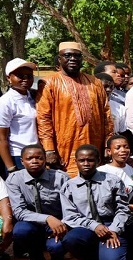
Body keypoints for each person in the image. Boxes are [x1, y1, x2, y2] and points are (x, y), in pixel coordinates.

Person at [37, 42, 113, 177]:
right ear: (59, 59)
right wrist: (49, 150)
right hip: (64, 148)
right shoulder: (49, 83)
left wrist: (108, 144)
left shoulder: (94, 82)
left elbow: (106, 115)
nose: (73, 59)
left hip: (95, 145)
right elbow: (43, 119)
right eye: (68, 55)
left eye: (77, 56)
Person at [60, 145, 130, 260]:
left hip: (111, 224)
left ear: (98, 161)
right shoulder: (69, 186)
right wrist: (95, 226)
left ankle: (118, 251)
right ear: (76, 162)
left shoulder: (112, 180)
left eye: (90, 160)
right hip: (85, 226)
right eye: (82, 160)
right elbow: (70, 216)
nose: (86, 164)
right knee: (71, 239)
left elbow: (123, 208)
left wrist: (114, 229)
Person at [7, 144, 69, 260]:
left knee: (55, 247)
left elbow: (72, 207)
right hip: (32, 223)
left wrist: (63, 223)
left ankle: (57, 258)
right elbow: (19, 211)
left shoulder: (61, 177)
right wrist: (47, 218)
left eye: (39, 158)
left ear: (45, 159)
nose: (34, 161)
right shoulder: (14, 179)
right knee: (20, 231)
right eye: (29, 158)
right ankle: (36, 259)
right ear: (22, 161)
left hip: (58, 223)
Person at [0, 58, 38, 173]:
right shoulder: (6, 102)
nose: (25, 80)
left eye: (29, 76)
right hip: (18, 157)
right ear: (8, 78)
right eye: (20, 76)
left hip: (37, 155)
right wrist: (11, 168)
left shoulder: (33, 96)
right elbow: (2, 138)